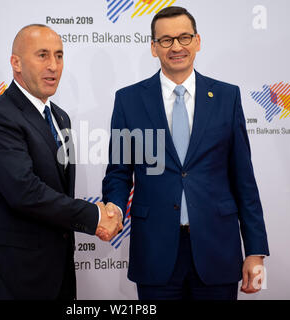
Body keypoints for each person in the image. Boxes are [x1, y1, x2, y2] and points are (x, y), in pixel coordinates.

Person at [102, 7, 269, 300]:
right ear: (154, 48)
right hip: (155, 250)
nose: (176, 46)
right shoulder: (128, 100)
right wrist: (113, 207)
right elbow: (118, 172)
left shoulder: (227, 97)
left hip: (218, 248)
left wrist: (255, 250)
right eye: (166, 40)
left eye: (183, 37)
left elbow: (243, 179)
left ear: (198, 41)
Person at [0, 24, 122, 300]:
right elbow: (25, 193)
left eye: (59, 56)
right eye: (42, 55)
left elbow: (57, 190)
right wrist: (94, 216)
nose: (53, 65)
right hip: (10, 278)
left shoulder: (61, 117)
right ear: (16, 63)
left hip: (57, 275)